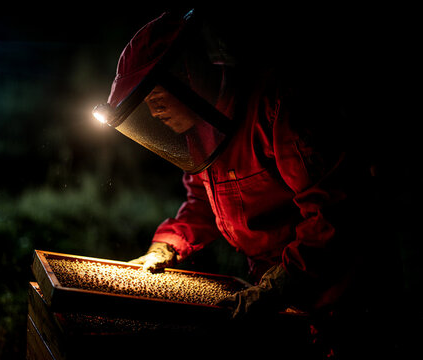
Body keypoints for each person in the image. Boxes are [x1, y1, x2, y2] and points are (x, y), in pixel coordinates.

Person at [95, 8, 402, 358]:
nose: (154, 114)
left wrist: (279, 285)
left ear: (186, 75)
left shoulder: (279, 106)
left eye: (156, 98)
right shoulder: (201, 130)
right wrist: (166, 245)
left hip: (345, 297)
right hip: (281, 297)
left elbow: (334, 213)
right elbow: (203, 202)